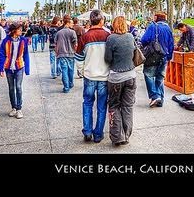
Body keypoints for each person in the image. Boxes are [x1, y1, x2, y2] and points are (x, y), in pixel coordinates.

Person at [75, 9, 110, 143]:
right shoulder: (108, 35)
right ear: (102, 20)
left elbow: (78, 57)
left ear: (90, 20)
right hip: (104, 77)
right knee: (101, 106)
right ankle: (98, 134)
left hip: (89, 76)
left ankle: (87, 131)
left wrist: (82, 71)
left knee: (88, 103)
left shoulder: (85, 36)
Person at [104, 16, 137, 146]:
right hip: (131, 76)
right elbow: (134, 53)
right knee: (128, 106)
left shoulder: (111, 38)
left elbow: (107, 58)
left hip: (116, 77)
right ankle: (127, 134)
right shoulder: (130, 36)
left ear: (113, 25)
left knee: (114, 106)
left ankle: (118, 136)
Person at [140, 11, 174, 108]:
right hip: (164, 56)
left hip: (152, 56)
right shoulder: (168, 28)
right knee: (160, 78)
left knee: (149, 75)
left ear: (156, 17)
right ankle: (160, 99)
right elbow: (171, 44)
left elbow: (144, 40)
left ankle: (155, 96)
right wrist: (169, 57)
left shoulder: (152, 26)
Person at [0, 23, 30, 119]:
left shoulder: (24, 40)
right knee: (11, 88)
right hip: (8, 68)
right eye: (19, 29)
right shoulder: (6, 41)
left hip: (19, 67)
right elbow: (1, 54)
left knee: (18, 87)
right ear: (13, 31)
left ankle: (19, 108)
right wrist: (1, 68)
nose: (21, 31)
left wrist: (27, 69)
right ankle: (14, 107)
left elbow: (26, 55)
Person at [55, 15, 78, 93]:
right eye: (71, 23)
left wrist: (56, 52)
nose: (72, 24)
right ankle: (70, 83)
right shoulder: (72, 32)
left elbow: (56, 43)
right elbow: (75, 44)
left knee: (64, 70)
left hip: (62, 54)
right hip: (71, 54)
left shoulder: (59, 32)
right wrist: (75, 51)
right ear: (68, 23)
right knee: (71, 70)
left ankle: (66, 87)